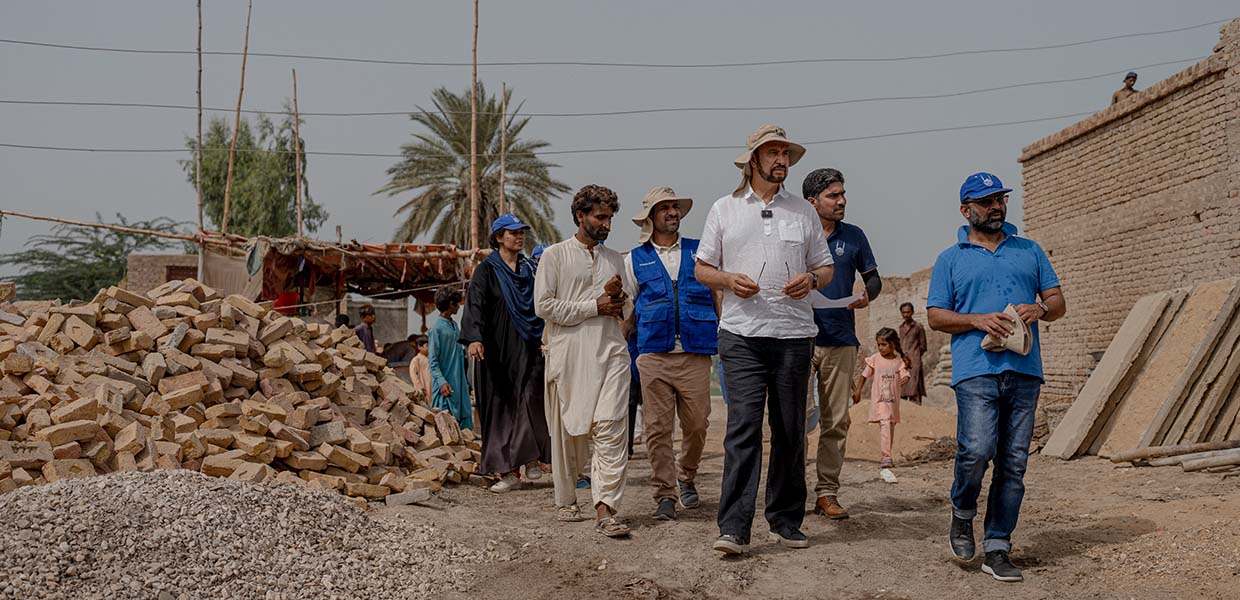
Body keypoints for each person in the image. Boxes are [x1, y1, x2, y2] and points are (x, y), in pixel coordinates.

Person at [695, 125, 834, 554]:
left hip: (794, 336)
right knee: (743, 430)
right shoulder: (724, 208)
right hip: (741, 336)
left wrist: (810, 279)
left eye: (785, 154)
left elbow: (825, 270)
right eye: (772, 153)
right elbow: (702, 269)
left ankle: (785, 521)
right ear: (753, 160)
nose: (781, 160)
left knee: (791, 430)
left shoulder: (803, 212)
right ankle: (734, 528)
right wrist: (727, 279)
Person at [927, 171, 1065, 583]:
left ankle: (999, 546)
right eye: (986, 202)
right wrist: (976, 320)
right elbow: (935, 316)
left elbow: (1057, 301)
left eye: (1000, 199)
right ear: (966, 209)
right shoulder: (950, 258)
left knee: (1014, 463)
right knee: (977, 449)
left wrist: (1039, 309)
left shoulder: (1029, 250)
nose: (996, 207)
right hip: (975, 371)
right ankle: (962, 513)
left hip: (1024, 370)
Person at [534, 184, 634, 539]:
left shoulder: (615, 259)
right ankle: (566, 498)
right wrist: (594, 305)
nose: (606, 224)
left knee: (610, 429)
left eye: (610, 218)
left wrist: (617, 298)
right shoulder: (555, 256)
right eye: (600, 217)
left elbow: (626, 309)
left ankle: (605, 509)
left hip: (610, 353)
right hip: (569, 354)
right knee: (568, 433)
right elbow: (544, 306)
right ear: (580, 216)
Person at [625, 186, 719, 521]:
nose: (672, 212)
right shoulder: (634, 259)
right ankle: (664, 493)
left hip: (695, 352)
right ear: (651, 217)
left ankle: (686, 475)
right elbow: (628, 310)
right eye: (664, 208)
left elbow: (717, 295)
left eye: (675, 207)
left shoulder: (700, 252)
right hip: (653, 354)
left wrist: (726, 334)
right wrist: (620, 352)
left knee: (696, 424)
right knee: (657, 428)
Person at [801, 167, 882, 521]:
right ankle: (791, 492)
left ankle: (827, 493)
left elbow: (874, 278)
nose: (841, 201)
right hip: (798, 339)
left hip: (841, 341)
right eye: (833, 195)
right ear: (812, 201)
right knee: (795, 421)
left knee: (836, 421)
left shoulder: (855, 236)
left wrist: (867, 296)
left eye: (842, 194)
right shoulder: (797, 235)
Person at [460, 214, 552, 494]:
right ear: (499, 237)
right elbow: (475, 304)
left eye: (522, 232)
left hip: (530, 345)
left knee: (532, 400)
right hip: (497, 350)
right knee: (503, 408)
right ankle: (508, 471)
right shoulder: (487, 270)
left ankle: (531, 458)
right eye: (513, 233)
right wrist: (474, 337)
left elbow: (544, 301)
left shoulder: (530, 269)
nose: (519, 237)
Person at [853, 328, 909, 484]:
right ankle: (886, 456)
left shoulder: (898, 361)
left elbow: (904, 372)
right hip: (880, 400)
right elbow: (865, 375)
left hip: (893, 402)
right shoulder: (876, 359)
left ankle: (887, 454)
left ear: (892, 344)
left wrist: (906, 377)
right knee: (885, 423)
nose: (881, 348)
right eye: (879, 345)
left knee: (890, 426)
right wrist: (857, 391)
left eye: (884, 344)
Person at [428, 287, 473, 430]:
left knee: (464, 430)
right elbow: (433, 362)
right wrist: (442, 382)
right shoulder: (436, 329)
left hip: (459, 385)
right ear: (450, 304)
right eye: (457, 303)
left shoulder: (454, 325)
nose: (459, 306)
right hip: (445, 388)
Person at [899, 302, 928, 404]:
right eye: (904, 313)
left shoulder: (918, 327)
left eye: (908, 312)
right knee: (902, 387)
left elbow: (923, 346)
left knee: (914, 387)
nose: (906, 315)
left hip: (914, 361)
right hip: (903, 361)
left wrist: (915, 355)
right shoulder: (901, 328)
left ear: (912, 312)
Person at [408, 335, 432, 403]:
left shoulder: (431, 359)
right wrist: (419, 386)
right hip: (423, 387)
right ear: (419, 347)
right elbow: (413, 375)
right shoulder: (416, 360)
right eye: (427, 345)